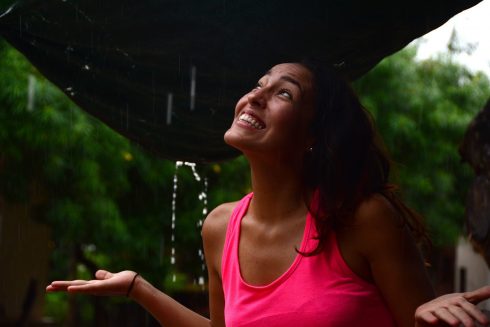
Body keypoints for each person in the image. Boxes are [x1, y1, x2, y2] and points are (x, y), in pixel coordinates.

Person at [46, 62, 490, 326]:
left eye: (283, 93)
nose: (255, 96)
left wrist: (437, 312)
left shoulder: (363, 220)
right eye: (259, 84)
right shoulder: (220, 227)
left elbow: (423, 318)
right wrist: (139, 290)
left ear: (313, 134)